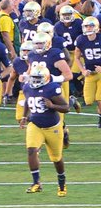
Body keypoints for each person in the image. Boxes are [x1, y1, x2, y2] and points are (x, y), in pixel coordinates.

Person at [19, 63, 69, 196]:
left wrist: (52, 105)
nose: (34, 81)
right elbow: (27, 101)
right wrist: (24, 116)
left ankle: (62, 183)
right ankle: (36, 183)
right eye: (33, 77)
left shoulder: (51, 88)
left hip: (52, 127)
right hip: (35, 124)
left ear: (45, 78)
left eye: (37, 78)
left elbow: (66, 107)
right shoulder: (27, 87)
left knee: (56, 159)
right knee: (31, 150)